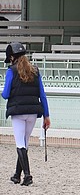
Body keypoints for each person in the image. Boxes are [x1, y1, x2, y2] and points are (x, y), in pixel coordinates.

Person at [3, 42, 50, 186]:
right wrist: (46, 115)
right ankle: (17, 175)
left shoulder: (11, 71)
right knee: (25, 142)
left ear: (12, 57)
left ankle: (27, 175)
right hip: (33, 113)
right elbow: (42, 95)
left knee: (20, 144)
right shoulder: (35, 70)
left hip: (18, 112)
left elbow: (5, 94)